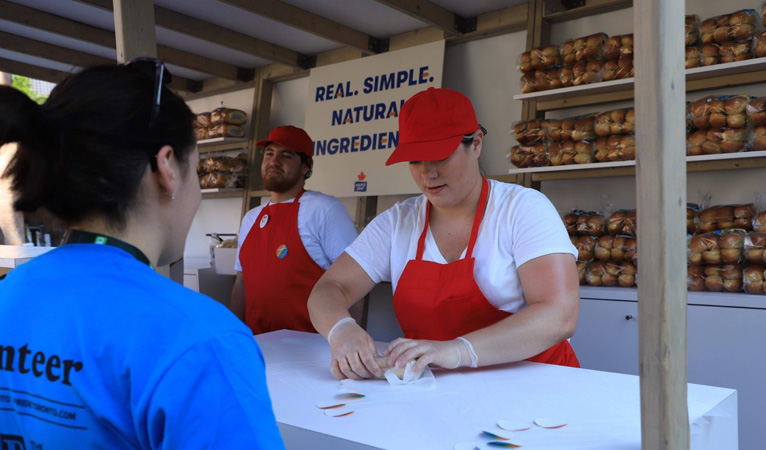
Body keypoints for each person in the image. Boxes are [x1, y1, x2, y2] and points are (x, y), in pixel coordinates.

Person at [0, 60, 284, 449]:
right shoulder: (201, 341)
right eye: (198, 170)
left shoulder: (10, 293)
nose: (198, 193)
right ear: (166, 167)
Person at [308, 87, 581, 380]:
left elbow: (559, 314)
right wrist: (340, 328)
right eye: (415, 160)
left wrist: (457, 351)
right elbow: (329, 288)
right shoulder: (398, 222)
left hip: (541, 387)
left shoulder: (522, 209)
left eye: (438, 156)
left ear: (476, 144)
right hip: (443, 395)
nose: (428, 173)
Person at [230, 125, 357, 335]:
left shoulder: (325, 209)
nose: (273, 161)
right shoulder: (250, 218)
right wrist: (231, 335)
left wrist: (348, 342)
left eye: (285, 155)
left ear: (305, 166)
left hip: (310, 349)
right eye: (269, 154)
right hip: (258, 346)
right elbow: (241, 282)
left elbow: (353, 281)